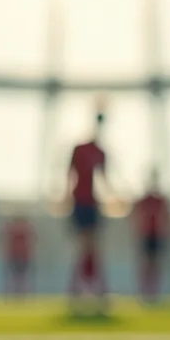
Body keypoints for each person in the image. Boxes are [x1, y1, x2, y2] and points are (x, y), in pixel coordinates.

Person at [66, 111, 114, 302]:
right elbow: (69, 174)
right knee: (81, 248)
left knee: (96, 249)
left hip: (93, 204)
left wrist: (116, 197)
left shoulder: (101, 152)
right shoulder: (79, 149)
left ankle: (100, 291)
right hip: (80, 203)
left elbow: (104, 179)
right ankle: (76, 291)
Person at [132, 170, 170, 304]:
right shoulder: (142, 201)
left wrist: (166, 233)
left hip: (157, 235)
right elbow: (134, 217)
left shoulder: (160, 200)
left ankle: (154, 293)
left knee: (155, 265)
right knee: (145, 265)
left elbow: (166, 218)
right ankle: (144, 292)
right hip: (145, 235)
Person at [2, 215, 35, 300]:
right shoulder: (12, 230)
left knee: (22, 278)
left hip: (23, 257)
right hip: (14, 256)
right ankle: (15, 296)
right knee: (15, 278)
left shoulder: (25, 230)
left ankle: (23, 295)